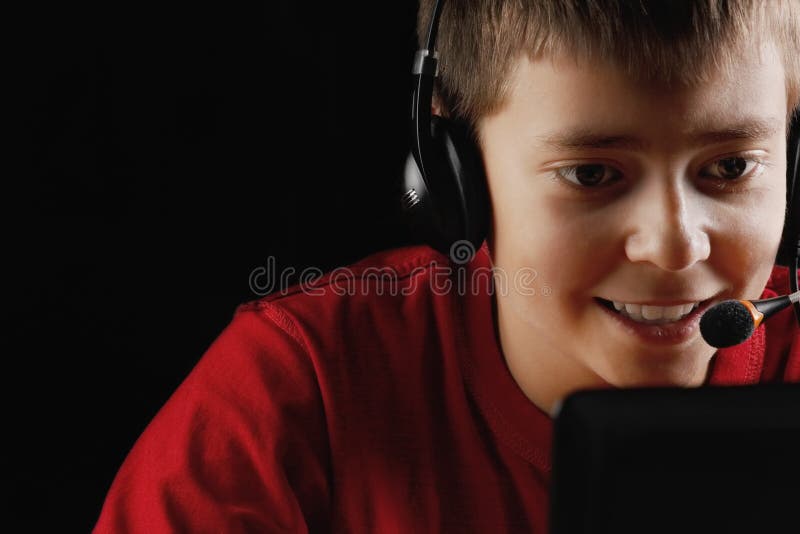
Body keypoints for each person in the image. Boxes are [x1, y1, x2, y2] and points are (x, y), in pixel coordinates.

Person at [94, 1, 800, 532]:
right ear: (454, 173)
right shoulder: (297, 390)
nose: (676, 249)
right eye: (591, 173)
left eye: (732, 167)